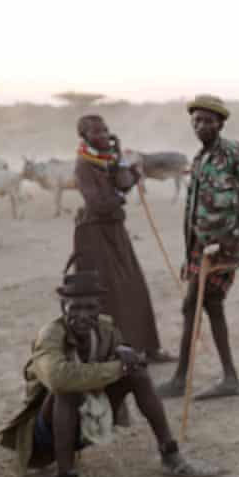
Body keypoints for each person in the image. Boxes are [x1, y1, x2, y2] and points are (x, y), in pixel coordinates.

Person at [0, 269, 219, 477]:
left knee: (140, 376)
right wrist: (117, 368)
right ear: (63, 306)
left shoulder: (106, 329)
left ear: (99, 307)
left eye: (90, 308)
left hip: (88, 421)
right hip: (46, 435)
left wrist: (125, 352)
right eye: (75, 308)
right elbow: (59, 378)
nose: (83, 315)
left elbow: (124, 356)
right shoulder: (50, 335)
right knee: (67, 391)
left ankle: (171, 456)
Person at [155, 95, 239, 400]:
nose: (201, 126)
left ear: (220, 123)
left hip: (226, 247)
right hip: (200, 247)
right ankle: (210, 377)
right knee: (199, 305)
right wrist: (187, 255)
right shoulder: (198, 159)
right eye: (196, 121)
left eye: (207, 120)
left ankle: (197, 378)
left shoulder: (234, 153)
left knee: (203, 303)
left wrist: (234, 232)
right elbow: (193, 213)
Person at [72, 114, 175, 364]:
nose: (103, 135)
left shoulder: (107, 160)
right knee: (109, 295)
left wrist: (118, 158)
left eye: (106, 130)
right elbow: (99, 204)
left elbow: (125, 183)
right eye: (96, 132)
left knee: (135, 288)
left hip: (115, 230)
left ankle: (148, 348)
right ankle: (115, 353)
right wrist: (119, 192)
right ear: (84, 136)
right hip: (95, 234)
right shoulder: (84, 166)